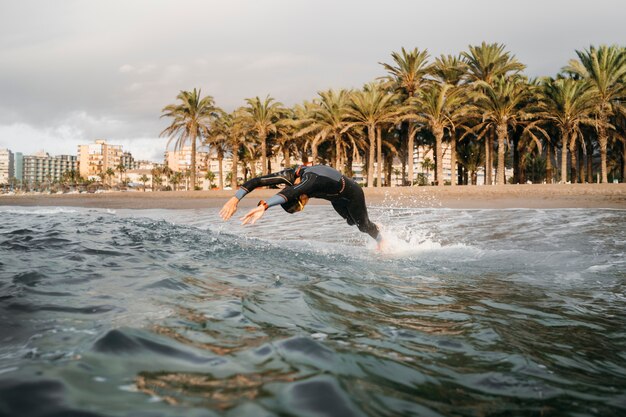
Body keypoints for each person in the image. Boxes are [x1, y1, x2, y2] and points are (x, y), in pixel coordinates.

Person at [220, 164, 386, 250]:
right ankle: (373, 228)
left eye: (301, 204)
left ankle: (381, 241)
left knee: (363, 226)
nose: (305, 203)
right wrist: (235, 200)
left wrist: (264, 206)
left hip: (352, 193)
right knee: (351, 222)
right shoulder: (290, 178)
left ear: (299, 197)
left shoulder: (310, 181)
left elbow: (291, 192)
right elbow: (258, 181)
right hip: (335, 199)